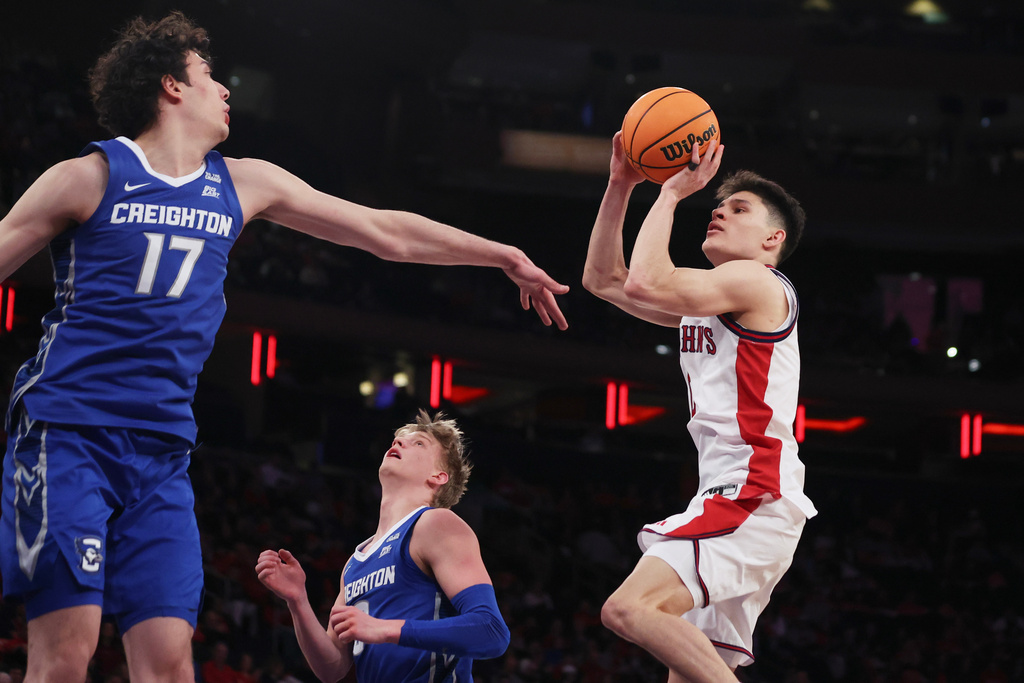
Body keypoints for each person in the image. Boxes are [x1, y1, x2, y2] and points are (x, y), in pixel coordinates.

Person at [0, 12, 566, 683]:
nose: (225, 88)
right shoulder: (88, 176)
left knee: (172, 666)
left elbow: (383, 231)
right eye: (209, 74)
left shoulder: (242, 182)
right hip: (68, 432)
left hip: (160, 455)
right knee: (67, 655)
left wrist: (500, 254)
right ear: (170, 87)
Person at [582, 133, 817, 681]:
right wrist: (621, 184)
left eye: (739, 208)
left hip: (753, 492)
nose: (718, 212)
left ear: (772, 239)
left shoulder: (758, 282)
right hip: (734, 493)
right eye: (717, 205)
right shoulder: (713, 297)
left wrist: (669, 195)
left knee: (626, 608)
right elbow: (604, 280)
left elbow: (645, 279)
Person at [255, 410, 510, 682]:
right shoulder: (355, 562)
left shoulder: (436, 524)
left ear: (439, 476)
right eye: (398, 439)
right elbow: (332, 669)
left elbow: (492, 631)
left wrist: (386, 630)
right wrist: (298, 601)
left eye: (418, 443)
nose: (398, 443)